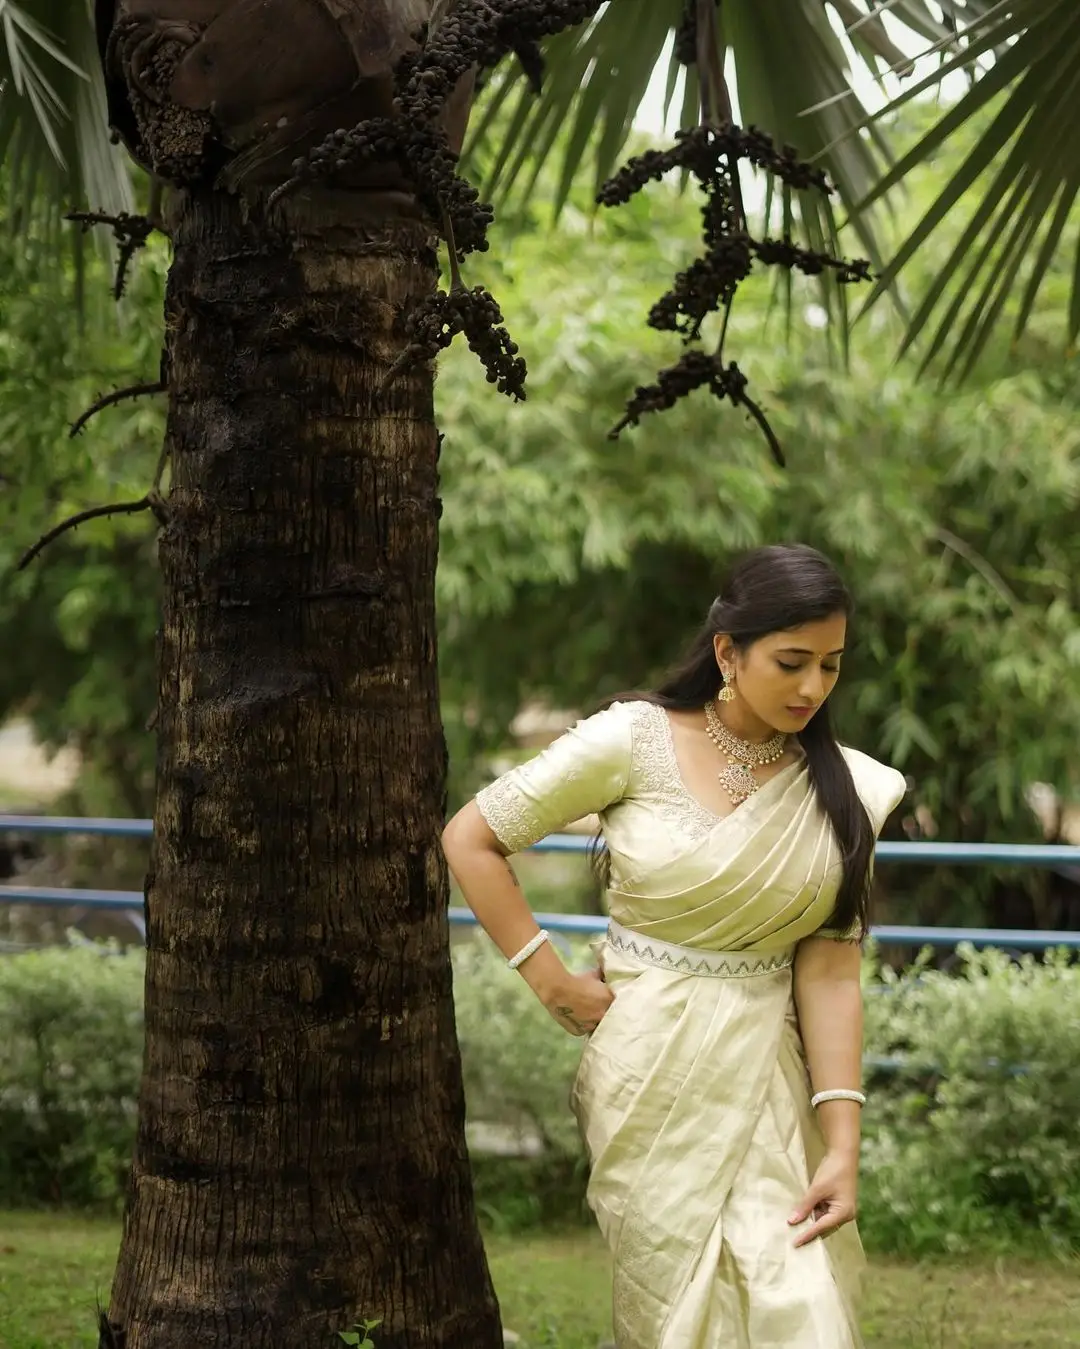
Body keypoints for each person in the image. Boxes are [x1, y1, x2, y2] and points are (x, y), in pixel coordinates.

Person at [442, 544, 906, 1349]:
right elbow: (472, 837)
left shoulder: (845, 789)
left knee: (801, 1307)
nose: (812, 688)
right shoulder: (635, 740)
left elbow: (831, 972)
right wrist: (550, 980)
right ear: (728, 651)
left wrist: (843, 1145)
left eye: (831, 666)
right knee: (674, 1310)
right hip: (647, 1064)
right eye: (791, 661)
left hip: (771, 1071)